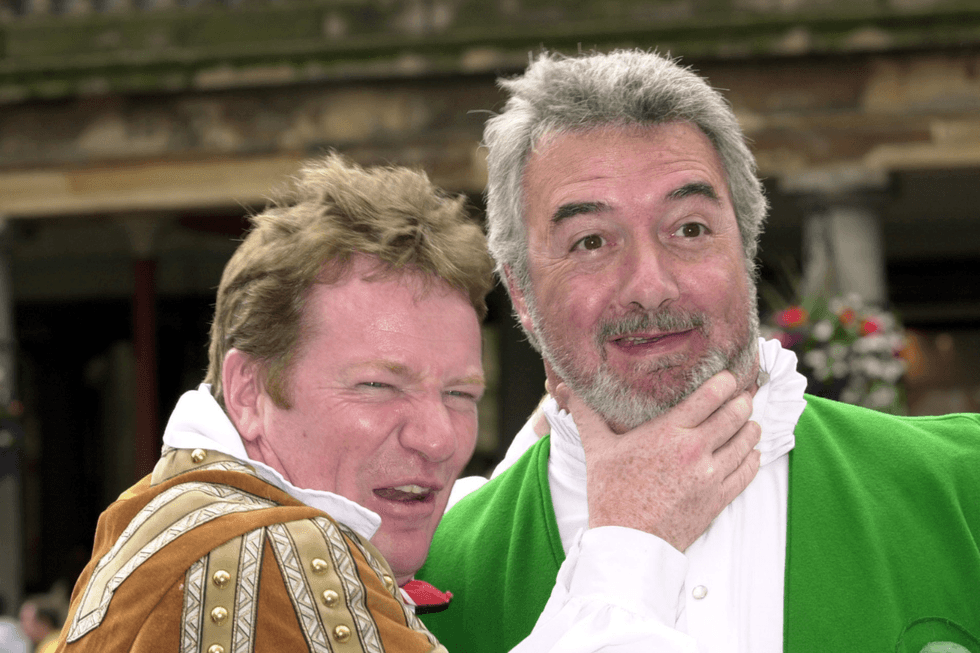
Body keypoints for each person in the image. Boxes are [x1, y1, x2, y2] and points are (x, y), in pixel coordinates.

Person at [416, 49, 980, 653]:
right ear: (521, 295)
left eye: (689, 228)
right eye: (589, 241)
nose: (650, 285)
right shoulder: (429, 580)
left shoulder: (963, 487)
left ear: (746, 248)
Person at [55, 154, 494, 653]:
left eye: (461, 394)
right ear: (249, 393)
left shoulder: (158, 520)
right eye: (378, 386)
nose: (438, 438)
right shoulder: (269, 554)